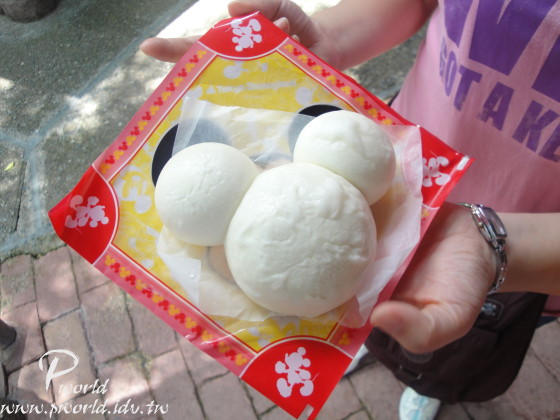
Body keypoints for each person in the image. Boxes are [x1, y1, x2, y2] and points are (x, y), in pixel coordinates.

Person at [141, 1, 560, 418]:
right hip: (398, 175)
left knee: (449, 340)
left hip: (532, 254)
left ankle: (424, 380)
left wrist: (503, 249)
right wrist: (331, 39)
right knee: (364, 309)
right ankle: (366, 339)